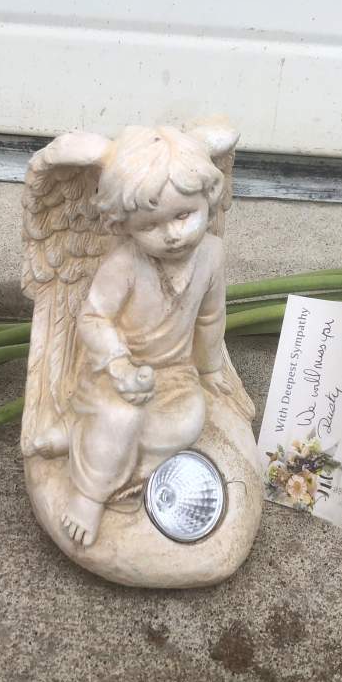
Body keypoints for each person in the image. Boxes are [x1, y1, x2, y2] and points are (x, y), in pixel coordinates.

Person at [60, 126, 235, 546]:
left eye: (183, 215)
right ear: (124, 226)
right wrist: (118, 362)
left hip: (173, 372)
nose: (173, 234)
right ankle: (89, 493)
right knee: (121, 417)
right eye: (151, 225)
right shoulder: (123, 264)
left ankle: (122, 465)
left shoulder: (212, 254)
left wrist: (210, 370)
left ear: (208, 200)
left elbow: (210, 319)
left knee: (187, 420)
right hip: (116, 371)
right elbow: (93, 318)